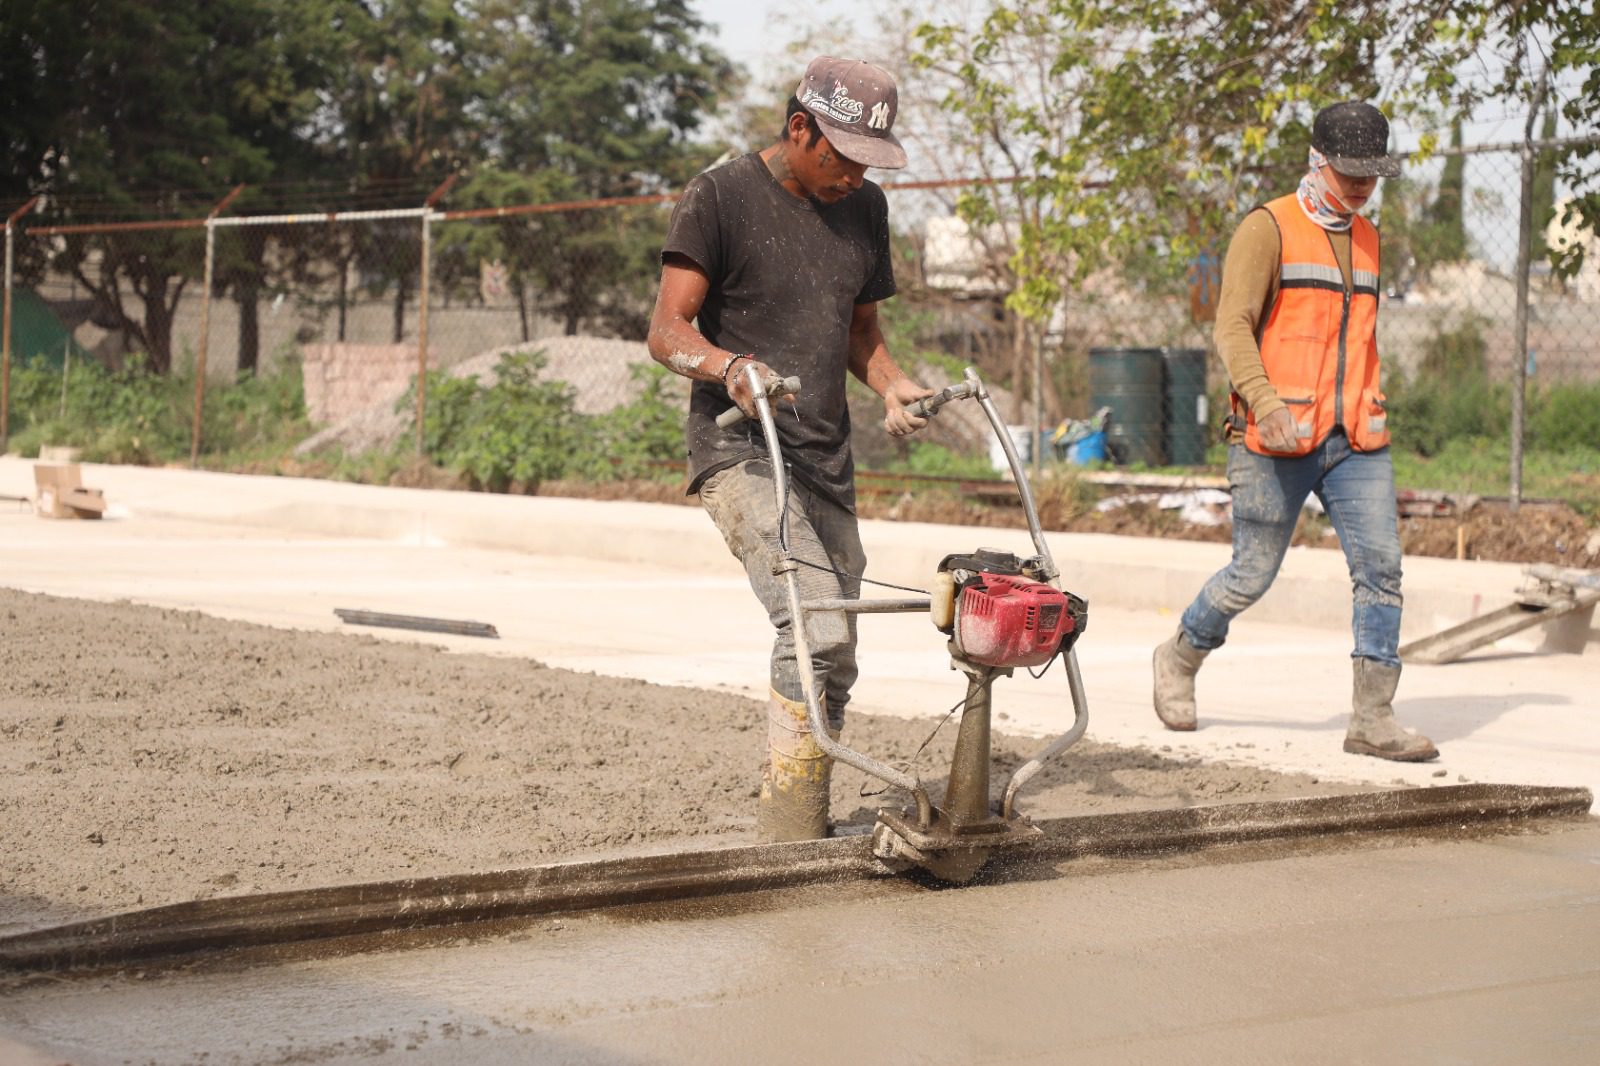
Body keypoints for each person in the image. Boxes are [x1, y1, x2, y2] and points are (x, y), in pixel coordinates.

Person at [646, 57, 935, 840]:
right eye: (842, 157)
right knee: (813, 623)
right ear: (799, 127)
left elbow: (861, 334)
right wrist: (731, 367)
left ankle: (801, 802)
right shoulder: (720, 196)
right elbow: (667, 332)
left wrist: (894, 385)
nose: (854, 176)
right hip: (740, 447)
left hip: (824, 457)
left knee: (838, 651)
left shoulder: (863, 211)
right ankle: (791, 822)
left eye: (868, 161)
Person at [1152, 101, 1438, 762]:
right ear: (1317, 160)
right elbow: (1232, 327)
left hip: (1356, 439)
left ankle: (1372, 717)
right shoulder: (1268, 227)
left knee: (1381, 569)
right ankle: (1180, 655)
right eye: (1349, 171)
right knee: (1251, 574)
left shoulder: (1367, 237)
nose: (1362, 184)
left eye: (1372, 172)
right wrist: (1264, 400)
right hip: (1274, 436)